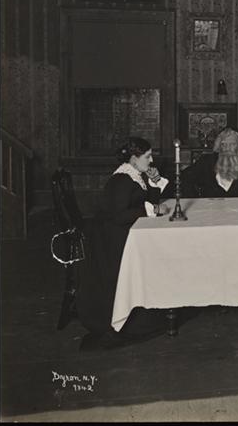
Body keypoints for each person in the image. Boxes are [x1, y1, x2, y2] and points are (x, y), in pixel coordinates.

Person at [77, 137, 170, 349]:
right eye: (147, 156)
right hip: (111, 241)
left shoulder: (135, 175)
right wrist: (153, 210)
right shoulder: (121, 180)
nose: (151, 160)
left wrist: (154, 182)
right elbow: (118, 215)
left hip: (122, 233)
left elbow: (145, 201)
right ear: (134, 159)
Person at [181, 127, 238, 198]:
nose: (228, 148)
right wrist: (195, 201)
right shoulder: (206, 162)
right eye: (224, 144)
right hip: (210, 210)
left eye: (232, 144)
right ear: (219, 146)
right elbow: (185, 178)